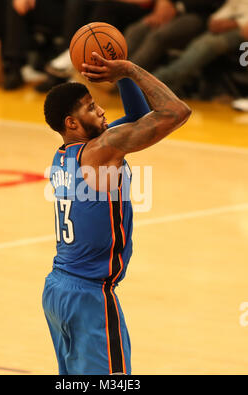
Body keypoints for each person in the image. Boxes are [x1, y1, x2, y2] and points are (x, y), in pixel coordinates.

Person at [42, 52, 191, 375]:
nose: (102, 110)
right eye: (91, 108)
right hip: (89, 295)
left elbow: (137, 114)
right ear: (72, 123)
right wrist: (129, 69)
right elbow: (176, 111)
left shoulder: (63, 154)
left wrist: (118, 76)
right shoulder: (101, 151)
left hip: (57, 290)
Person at [153, 0, 248, 95]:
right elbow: (232, 5)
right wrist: (215, 20)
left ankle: (158, 83)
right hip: (228, 25)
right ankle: (158, 84)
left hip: (241, 29)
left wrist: (238, 23)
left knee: (208, 44)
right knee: (197, 45)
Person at [125, 0, 224, 72]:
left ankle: (128, 77)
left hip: (197, 15)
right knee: (135, 30)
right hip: (170, 10)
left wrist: (177, 7)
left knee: (158, 36)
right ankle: (115, 70)